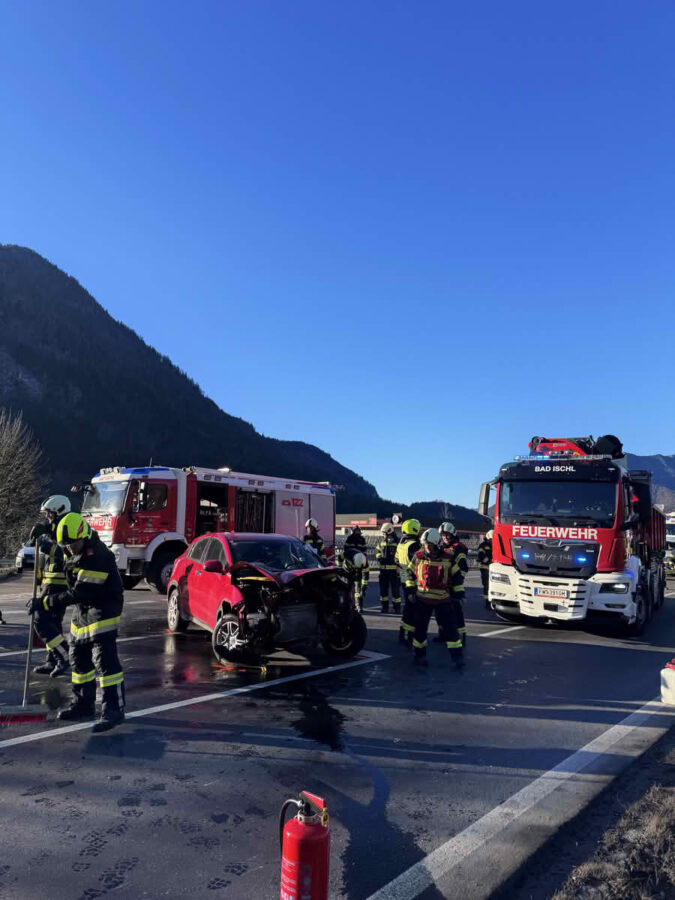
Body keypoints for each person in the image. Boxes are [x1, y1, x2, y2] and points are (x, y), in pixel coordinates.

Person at [31, 513, 126, 732]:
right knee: (78, 658)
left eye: (73, 543)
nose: (70, 548)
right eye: (66, 544)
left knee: (105, 662)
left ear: (83, 535)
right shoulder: (71, 547)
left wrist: (46, 602)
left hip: (103, 608)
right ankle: (83, 704)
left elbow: (81, 592)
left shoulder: (97, 556)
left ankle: (114, 710)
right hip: (84, 609)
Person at [408, 528, 464, 668]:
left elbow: (457, 576)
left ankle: (457, 657)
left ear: (437, 544)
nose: (426, 548)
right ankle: (419, 656)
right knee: (420, 631)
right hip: (422, 599)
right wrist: (410, 590)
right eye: (425, 545)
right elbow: (408, 573)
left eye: (429, 545)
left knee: (451, 630)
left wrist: (458, 594)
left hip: (443, 600)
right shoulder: (418, 556)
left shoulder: (448, 557)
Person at [31, 495, 72, 677]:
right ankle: (52, 660)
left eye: (49, 514)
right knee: (53, 623)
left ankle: (64, 656)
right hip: (50, 582)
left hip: (59, 584)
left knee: (40, 619)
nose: (47, 517)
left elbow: (64, 551)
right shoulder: (56, 526)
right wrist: (40, 533)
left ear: (59, 511)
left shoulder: (67, 526)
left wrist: (46, 545)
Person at [439, 522, 469, 648]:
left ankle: (461, 636)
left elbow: (463, 568)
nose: (445, 538)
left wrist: (457, 584)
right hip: (443, 585)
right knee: (441, 612)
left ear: (453, 535)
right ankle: (442, 635)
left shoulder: (458, 547)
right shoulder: (442, 546)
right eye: (443, 536)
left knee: (456, 611)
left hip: (454, 585)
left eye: (447, 535)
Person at [395, 519, 421, 645]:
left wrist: (403, 572)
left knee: (408, 605)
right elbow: (420, 563)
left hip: (404, 575)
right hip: (413, 578)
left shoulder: (401, 544)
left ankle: (402, 634)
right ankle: (411, 637)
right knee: (414, 607)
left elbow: (396, 562)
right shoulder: (415, 545)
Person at [375, 523, 401, 614]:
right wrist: (379, 557)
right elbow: (377, 550)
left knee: (395, 591)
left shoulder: (397, 542)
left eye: (384, 533)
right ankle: (384, 608)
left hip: (394, 571)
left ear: (389, 532)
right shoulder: (382, 541)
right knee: (383, 591)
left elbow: (400, 554)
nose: (383, 535)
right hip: (383, 571)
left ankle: (397, 608)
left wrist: (398, 565)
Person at [344, 525, 370, 604]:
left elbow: (364, 551)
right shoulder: (349, 539)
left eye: (358, 531)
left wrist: (364, 588)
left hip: (359, 564)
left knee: (358, 587)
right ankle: (349, 603)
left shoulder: (362, 539)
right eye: (356, 530)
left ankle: (359, 605)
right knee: (348, 586)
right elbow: (345, 550)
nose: (357, 532)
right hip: (350, 565)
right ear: (353, 531)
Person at [477, 530, 494, 608]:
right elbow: (481, 556)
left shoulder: (496, 546)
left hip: (493, 569)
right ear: (487, 538)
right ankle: (487, 603)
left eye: (493, 539)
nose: (492, 541)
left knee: (493, 585)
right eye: (491, 539)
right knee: (486, 585)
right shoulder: (482, 545)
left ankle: (493, 601)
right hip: (485, 568)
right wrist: (490, 562)